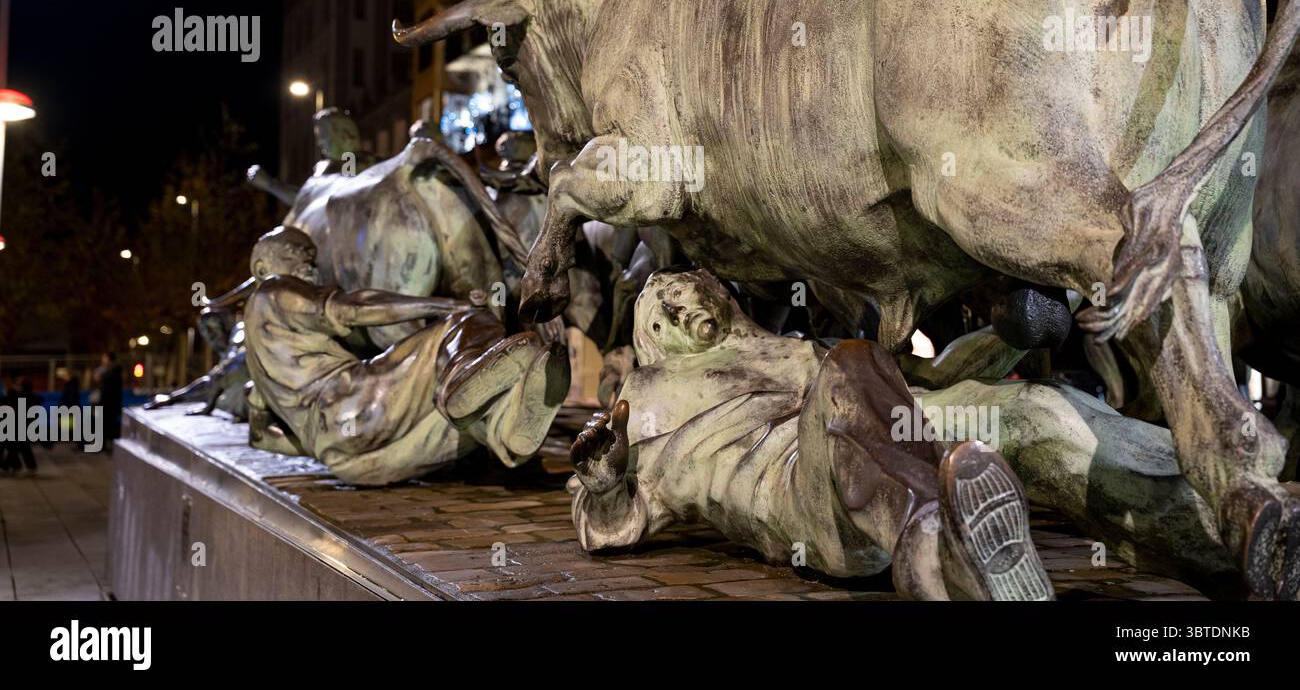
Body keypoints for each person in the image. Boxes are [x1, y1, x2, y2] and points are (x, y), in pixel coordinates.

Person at [570, 268, 1250, 600]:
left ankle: (1223, 526)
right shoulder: (646, 400)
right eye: (671, 298)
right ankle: (938, 552)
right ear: (652, 327)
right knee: (855, 369)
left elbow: (924, 375)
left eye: (696, 287)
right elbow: (617, 519)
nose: (693, 297)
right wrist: (603, 484)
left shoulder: (787, 349)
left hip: (885, 428)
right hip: (812, 502)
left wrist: (1006, 343)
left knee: (1031, 411)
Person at [243, 226, 569, 486]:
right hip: (354, 404)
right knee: (468, 322)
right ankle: (459, 379)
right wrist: (451, 306)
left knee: (469, 416)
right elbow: (355, 308)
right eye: (296, 254)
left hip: (345, 456)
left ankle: (505, 430)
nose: (310, 267)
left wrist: (316, 442)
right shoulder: (273, 289)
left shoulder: (258, 361)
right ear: (262, 268)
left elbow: (261, 437)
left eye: (313, 259)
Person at [96, 352, 124, 449]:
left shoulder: (112, 372)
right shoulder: (110, 371)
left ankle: (108, 445)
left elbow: (109, 389)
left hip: (109, 403)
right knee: (105, 424)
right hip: (109, 403)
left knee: (107, 424)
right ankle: (105, 444)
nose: (102, 359)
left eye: (104, 357)